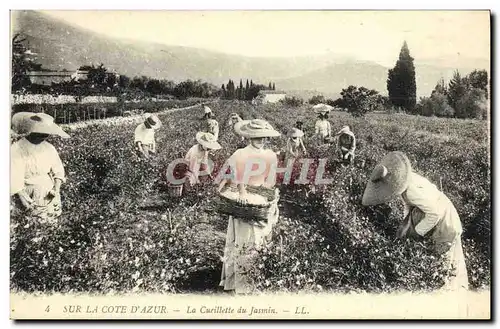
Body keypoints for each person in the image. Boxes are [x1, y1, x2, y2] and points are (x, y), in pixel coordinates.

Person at [361, 151, 469, 292]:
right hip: (445, 212)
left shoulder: (411, 190)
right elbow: (408, 204)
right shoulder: (406, 181)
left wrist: (417, 232)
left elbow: (434, 213)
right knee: (454, 260)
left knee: (445, 265)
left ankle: (450, 297)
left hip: (444, 222)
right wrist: (406, 222)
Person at [218, 119, 281, 294]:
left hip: (259, 196)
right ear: (249, 138)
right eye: (257, 137)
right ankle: (240, 282)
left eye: (263, 137)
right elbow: (237, 176)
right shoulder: (241, 153)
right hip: (243, 197)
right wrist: (243, 193)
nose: (261, 140)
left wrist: (270, 192)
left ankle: (254, 276)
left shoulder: (270, 155)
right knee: (244, 239)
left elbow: (270, 180)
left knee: (258, 238)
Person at [10, 112, 70, 224]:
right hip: (29, 192)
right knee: (33, 224)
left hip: (49, 190)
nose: (43, 137)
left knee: (52, 224)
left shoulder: (49, 148)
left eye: (46, 135)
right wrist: (24, 199)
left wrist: (56, 189)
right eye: (40, 134)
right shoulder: (17, 149)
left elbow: (58, 170)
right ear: (32, 131)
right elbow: (14, 178)